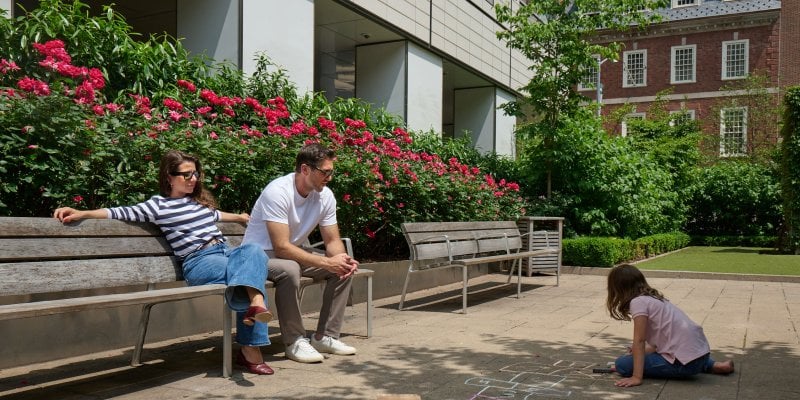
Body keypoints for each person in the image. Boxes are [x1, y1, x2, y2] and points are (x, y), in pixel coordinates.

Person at [53, 150, 275, 375]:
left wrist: (239, 217)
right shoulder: (157, 206)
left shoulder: (197, 203)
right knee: (250, 277)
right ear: (169, 177)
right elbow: (120, 212)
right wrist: (83, 213)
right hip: (200, 261)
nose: (193, 179)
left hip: (226, 252)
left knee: (253, 251)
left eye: (195, 174)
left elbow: (217, 215)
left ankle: (255, 306)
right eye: (186, 175)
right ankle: (251, 344)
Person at [242, 142, 359, 363]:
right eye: (325, 172)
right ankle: (294, 340)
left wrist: (340, 260)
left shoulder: (325, 196)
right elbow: (281, 247)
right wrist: (326, 263)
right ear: (305, 169)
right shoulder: (278, 191)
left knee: (342, 269)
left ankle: (325, 336)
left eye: (331, 172)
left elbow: (332, 240)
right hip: (258, 255)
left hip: (290, 252)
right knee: (291, 268)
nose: (330, 177)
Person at [606, 264, 734, 388]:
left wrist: (636, 377)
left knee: (622, 364)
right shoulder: (654, 298)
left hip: (686, 364)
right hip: (700, 354)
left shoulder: (637, 302)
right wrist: (637, 351)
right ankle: (715, 365)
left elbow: (639, 341)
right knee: (635, 355)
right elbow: (658, 343)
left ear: (619, 288)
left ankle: (703, 366)